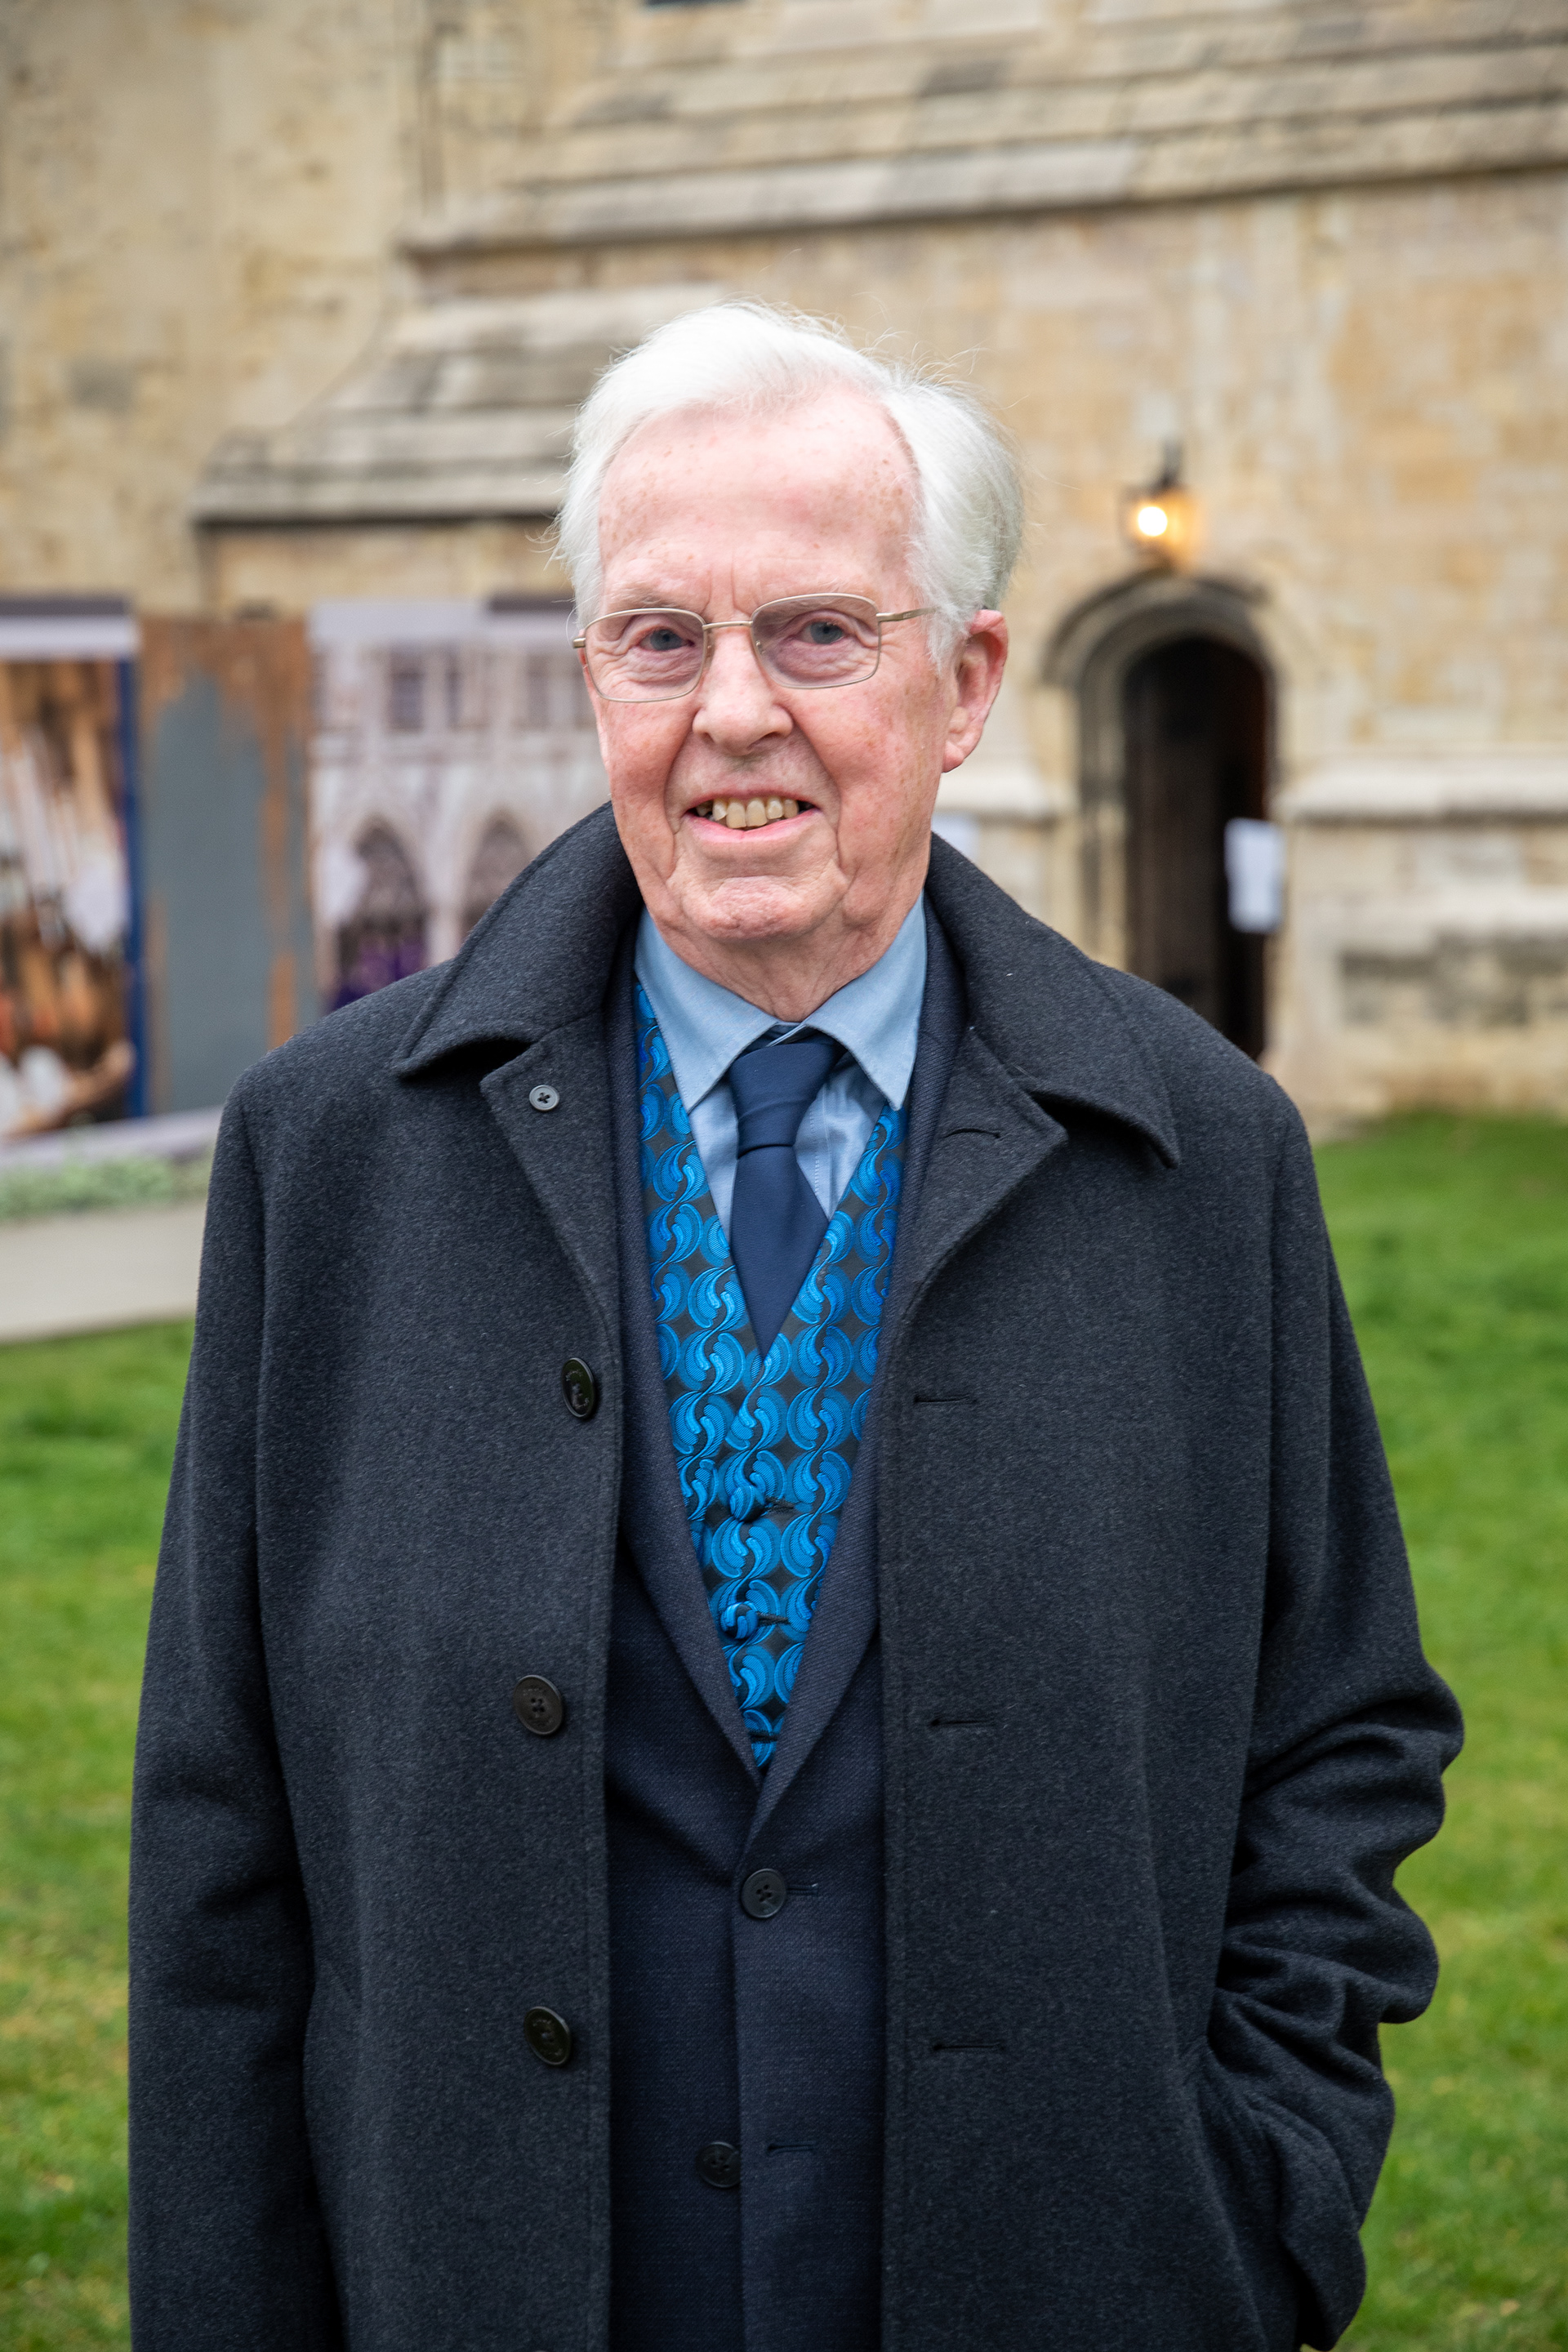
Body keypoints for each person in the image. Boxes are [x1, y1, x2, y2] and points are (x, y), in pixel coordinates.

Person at [129, 302, 1460, 2352]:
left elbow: (1344, 1730)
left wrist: (1255, 2203)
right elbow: (220, 1833)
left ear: (968, 685)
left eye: (818, 634)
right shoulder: (334, 1157)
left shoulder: (1204, 1152)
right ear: (595, 682)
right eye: (661, 639)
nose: (731, 711)